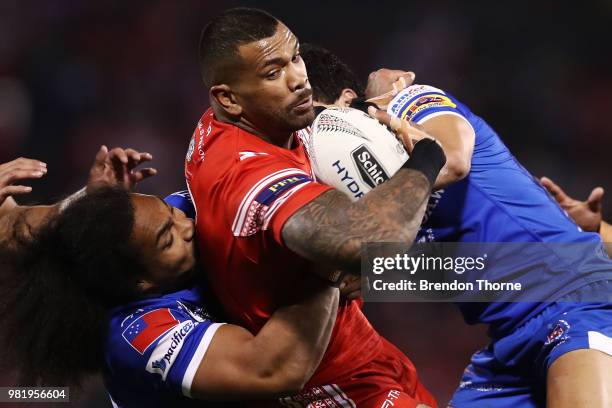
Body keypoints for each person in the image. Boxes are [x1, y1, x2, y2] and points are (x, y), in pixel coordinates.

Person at [300, 45, 612, 407]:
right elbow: (453, 268)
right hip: (507, 343)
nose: (313, 144)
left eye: (317, 122)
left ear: (347, 102)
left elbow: (454, 160)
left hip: (571, 298)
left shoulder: (410, 101)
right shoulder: (369, 199)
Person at [186, 7, 446, 408]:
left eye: (295, 57)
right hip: (334, 384)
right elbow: (373, 240)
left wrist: (363, 112)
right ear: (228, 98)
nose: (299, 79)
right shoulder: (246, 176)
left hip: (363, 350)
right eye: (274, 73)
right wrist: (427, 158)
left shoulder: (241, 118)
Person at [0, 149, 341, 407]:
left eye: (171, 212)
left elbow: (24, 231)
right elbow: (275, 370)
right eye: (168, 239)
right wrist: (328, 266)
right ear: (140, 283)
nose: (188, 226)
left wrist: (92, 201)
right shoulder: (139, 335)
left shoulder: (178, 217)